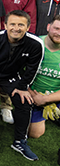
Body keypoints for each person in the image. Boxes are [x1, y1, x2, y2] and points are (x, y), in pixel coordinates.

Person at [0, 10, 44, 161]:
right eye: (12, 24)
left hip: (12, 75)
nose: (16, 28)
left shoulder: (35, 43)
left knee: (24, 102)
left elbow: (33, 68)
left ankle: (20, 141)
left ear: (28, 27)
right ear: (5, 25)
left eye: (21, 25)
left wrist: (22, 87)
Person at [28, 15, 60, 146]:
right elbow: (17, 74)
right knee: (34, 134)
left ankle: (54, 113)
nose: (59, 33)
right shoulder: (33, 44)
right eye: (56, 28)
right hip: (32, 95)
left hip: (54, 97)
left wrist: (46, 99)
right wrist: (30, 93)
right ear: (48, 27)